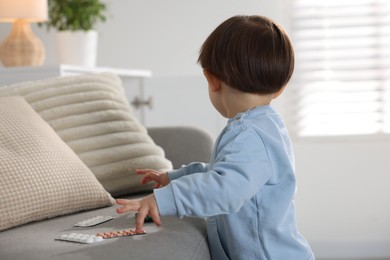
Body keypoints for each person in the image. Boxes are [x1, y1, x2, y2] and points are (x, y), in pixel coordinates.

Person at [116, 15, 315, 260]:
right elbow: (218, 173)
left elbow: (224, 190)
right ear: (281, 87)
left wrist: (165, 199)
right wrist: (173, 177)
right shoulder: (262, 126)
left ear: (212, 80)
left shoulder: (249, 134)